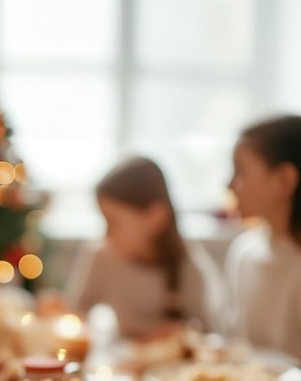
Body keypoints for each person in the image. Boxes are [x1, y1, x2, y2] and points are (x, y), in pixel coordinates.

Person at [65, 157, 222, 340]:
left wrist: (182, 333)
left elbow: (209, 334)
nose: (106, 234)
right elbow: (76, 313)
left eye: (113, 222)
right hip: (119, 362)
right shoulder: (101, 255)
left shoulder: (189, 265)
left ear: (156, 216)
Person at [225, 114, 301, 358]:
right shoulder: (243, 253)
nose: (229, 185)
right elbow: (236, 345)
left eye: (240, 172)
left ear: (284, 180)